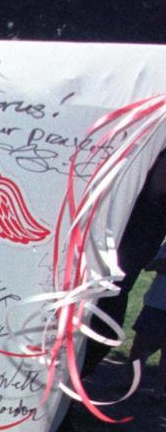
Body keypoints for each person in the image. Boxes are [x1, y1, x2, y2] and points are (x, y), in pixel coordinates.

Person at [83, 150, 166, 373]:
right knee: (89, 335)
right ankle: (63, 400)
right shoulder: (132, 195)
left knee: (105, 336)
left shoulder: (161, 206)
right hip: (96, 278)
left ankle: (69, 397)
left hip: (121, 285)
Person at [126, 248, 166, 398]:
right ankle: (130, 384)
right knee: (139, 347)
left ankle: (159, 392)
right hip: (155, 303)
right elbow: (149, 266)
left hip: (156, 304)